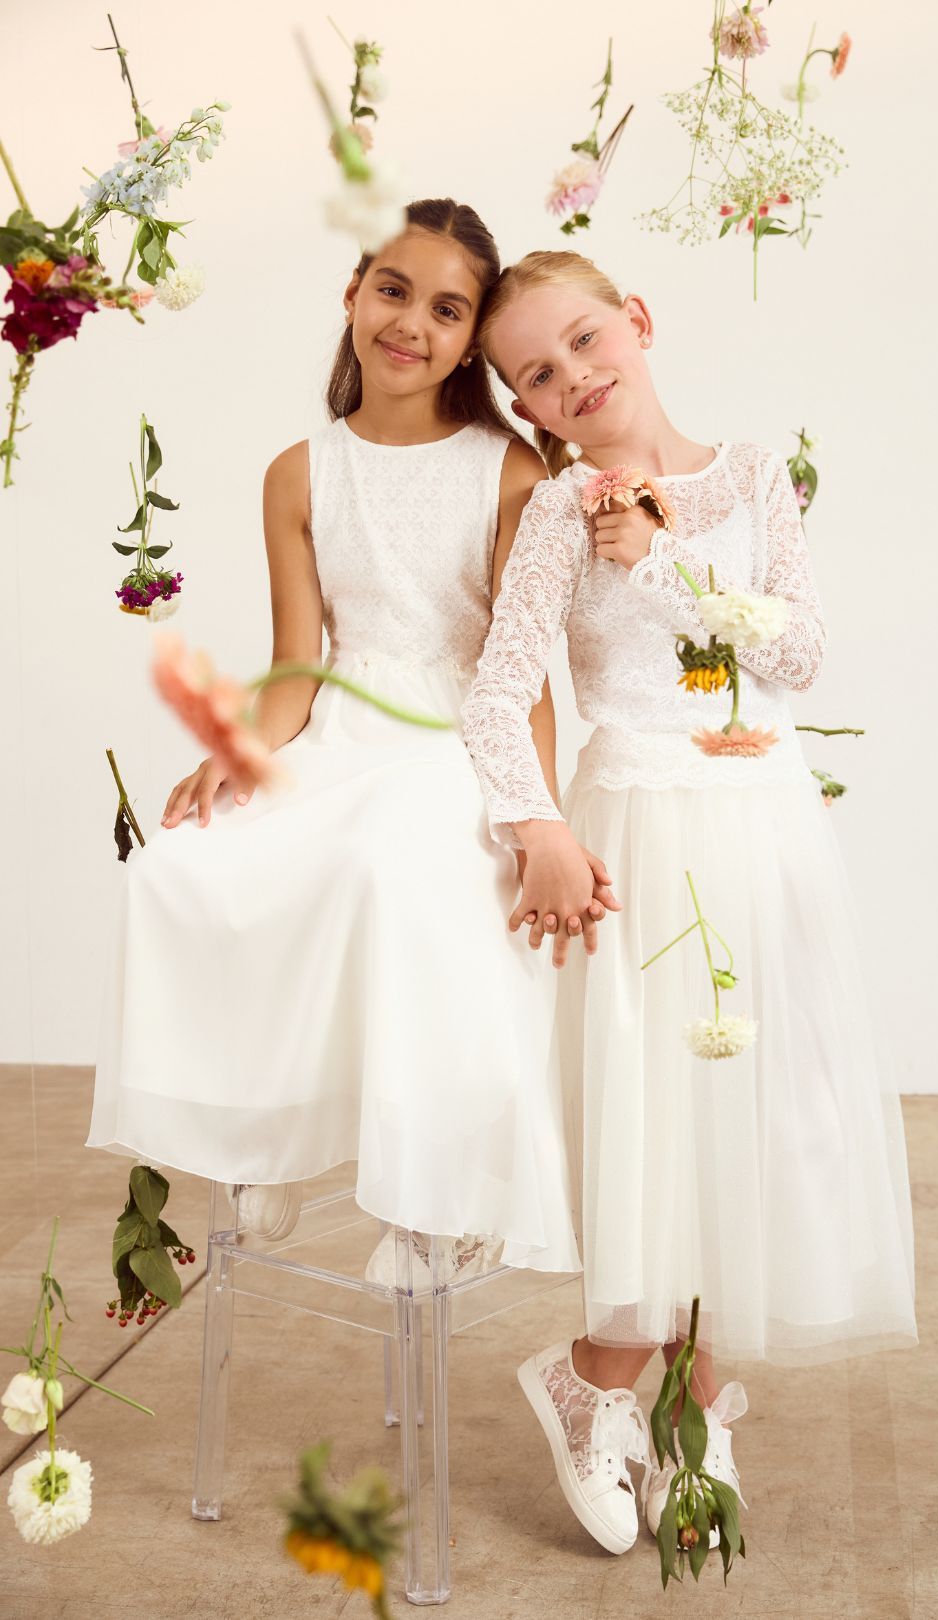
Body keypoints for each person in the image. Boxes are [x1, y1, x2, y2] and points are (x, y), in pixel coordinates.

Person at [461, 250, 918, 1554]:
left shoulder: (754, 475)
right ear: (526, 407)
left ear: (639, 321)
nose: (574, 376)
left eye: (586, 339)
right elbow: (496, 698)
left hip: (763, 827)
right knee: (658, 1118)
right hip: (641, 832)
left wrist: (664, 558)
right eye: (537, 374)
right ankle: (620, 1383)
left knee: (750, 1122)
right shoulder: (559, 513)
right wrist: (538, 826)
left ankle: (684, 1398)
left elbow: (798, 655)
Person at [87, 204, 602, 1280]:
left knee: (387, 861)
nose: (412, 323)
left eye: (448, 310)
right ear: (354, 294)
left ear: (471, 342)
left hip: (457, 739)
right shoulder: (299, 472)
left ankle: (439, 1195)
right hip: (340, 730)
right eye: (393, 291)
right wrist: (235, 752)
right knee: (185, 865)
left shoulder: (508, 472)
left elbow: (524, 677)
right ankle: (263, 1137)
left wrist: (537, 818)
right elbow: (297, 664)